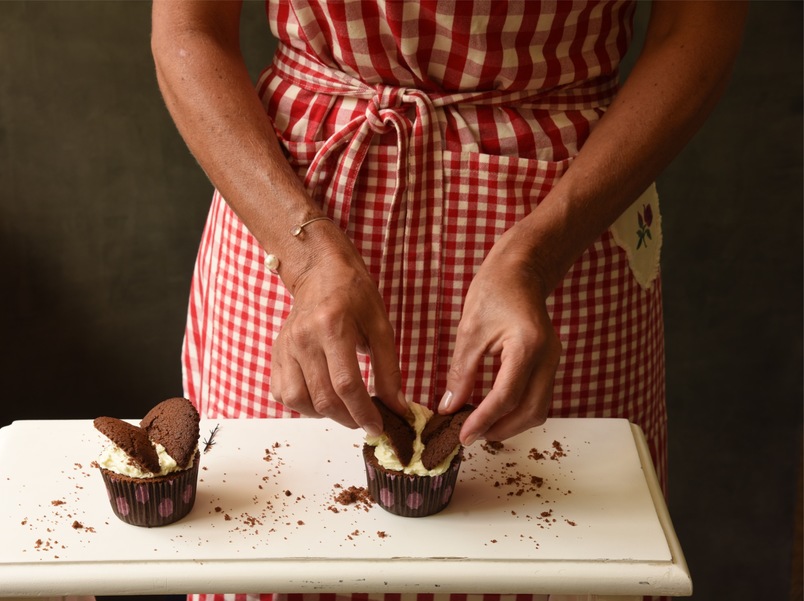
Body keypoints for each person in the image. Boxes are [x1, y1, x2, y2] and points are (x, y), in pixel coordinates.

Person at [152, 1, 745, 600]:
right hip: (289, 216)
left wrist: (540, 255)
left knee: (563, 563)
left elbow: (694, 31)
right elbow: (188, 30)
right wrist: (305, 259)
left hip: (569, 227)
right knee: (273, 562)